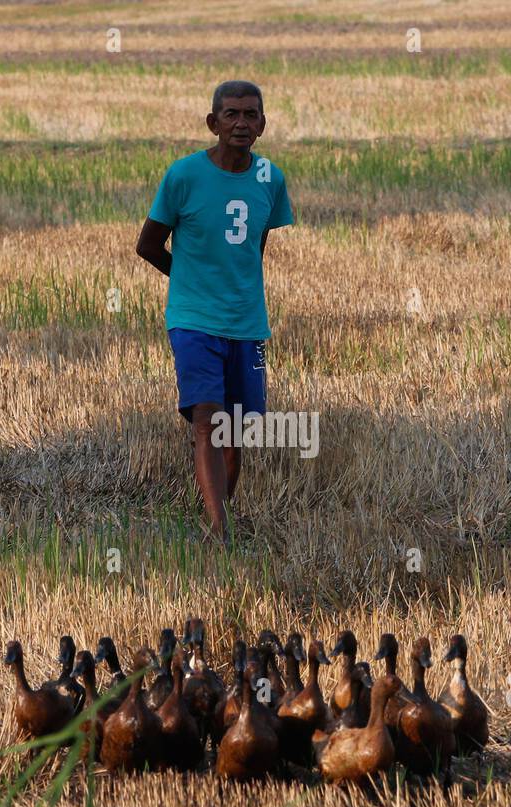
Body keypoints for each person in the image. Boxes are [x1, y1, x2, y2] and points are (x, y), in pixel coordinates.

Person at [135, 80, 294, 543]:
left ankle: (217, 511)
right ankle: (220, 531)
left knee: (234, 429)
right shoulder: (183, 176)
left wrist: (233, 287)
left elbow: (254, 248)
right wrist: (187, 280)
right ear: (213, 123)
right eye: (231, 115)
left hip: (246, 321)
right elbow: (147, 245)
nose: (241, 123)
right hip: (192, 319)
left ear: (263, 124)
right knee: (207, 418)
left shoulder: (271, 179)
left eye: (250, 115)